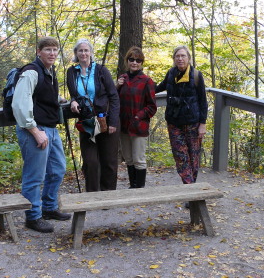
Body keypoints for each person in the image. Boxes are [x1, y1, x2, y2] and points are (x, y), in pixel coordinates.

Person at [12, 36, 71, 233]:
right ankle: (33, 217)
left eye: (55, 50)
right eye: (48, 50)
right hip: (35, 130)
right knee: (34, 176)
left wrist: (63, 100)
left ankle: (48, 207)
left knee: (57, 170)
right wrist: (35, 131)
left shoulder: (48, 72)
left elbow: (43, 94)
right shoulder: (31, 72)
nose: (52, 53)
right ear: (39, 51)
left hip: (50, 128)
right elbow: (20, 104)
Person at [66, 39, 120, 192]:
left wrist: (113, 122)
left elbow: (114, 97)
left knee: (108, 160)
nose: (83, 53)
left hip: (106, 119)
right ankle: (92, 195)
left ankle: (107, 195)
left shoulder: (101, 70)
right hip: (87, 122)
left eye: (86, 50)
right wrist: (73, 101)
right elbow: (73, 93)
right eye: (80, 51)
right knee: (90, 161)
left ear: (90, 52)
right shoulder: (72, 72)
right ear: (76, 53)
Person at [155, 45, 208, 187]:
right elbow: (158, 88)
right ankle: (190, 188)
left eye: (183, 56)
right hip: (174, 122)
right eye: (177, 56)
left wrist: (202, 124)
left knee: (193, 156)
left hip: (193, 123)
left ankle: (191, 189)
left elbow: (203, 101)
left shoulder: (196, 75)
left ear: (189, 58)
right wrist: (141, 83)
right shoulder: (171, 73)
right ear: (174, 59)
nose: (180, 59)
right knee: (180, 156)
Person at [117, 46, 157, 188]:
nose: (134, 62)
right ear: (127, 61)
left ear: (142, 63)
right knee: (128, 158)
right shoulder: (123, 79)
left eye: (138, 60)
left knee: (139, 159)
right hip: (124, 125)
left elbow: (152, 107)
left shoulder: (147, 81)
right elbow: (114, 100)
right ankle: (132, 186)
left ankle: (139, 189)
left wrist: (138, 116)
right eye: (131, 59)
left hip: (139, 126)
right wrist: (117, 86)